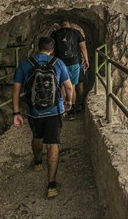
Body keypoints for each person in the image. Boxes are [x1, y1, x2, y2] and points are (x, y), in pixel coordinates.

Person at [12, 37, 73, 199]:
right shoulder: (58, 63)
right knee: (53, 143)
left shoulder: (26, 64)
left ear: (37, 48)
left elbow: (16, 89)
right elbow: (68, 86)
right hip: (54, 111)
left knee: (37, 137)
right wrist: (68, 101)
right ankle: (51, 185)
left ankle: (38, 162)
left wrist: (16, 113)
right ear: (51, 50)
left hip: (34, 112)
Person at [50, 19, 89, 116]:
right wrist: (86, 59)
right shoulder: (76, 33)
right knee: (72, 86)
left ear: (60, 25)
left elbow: (51, 49)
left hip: (60, 63)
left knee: (62, 86)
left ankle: (63, 110)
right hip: (74, 62)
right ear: (70, 24)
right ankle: (72, 109)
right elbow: (83, 47)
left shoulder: (54, 34)